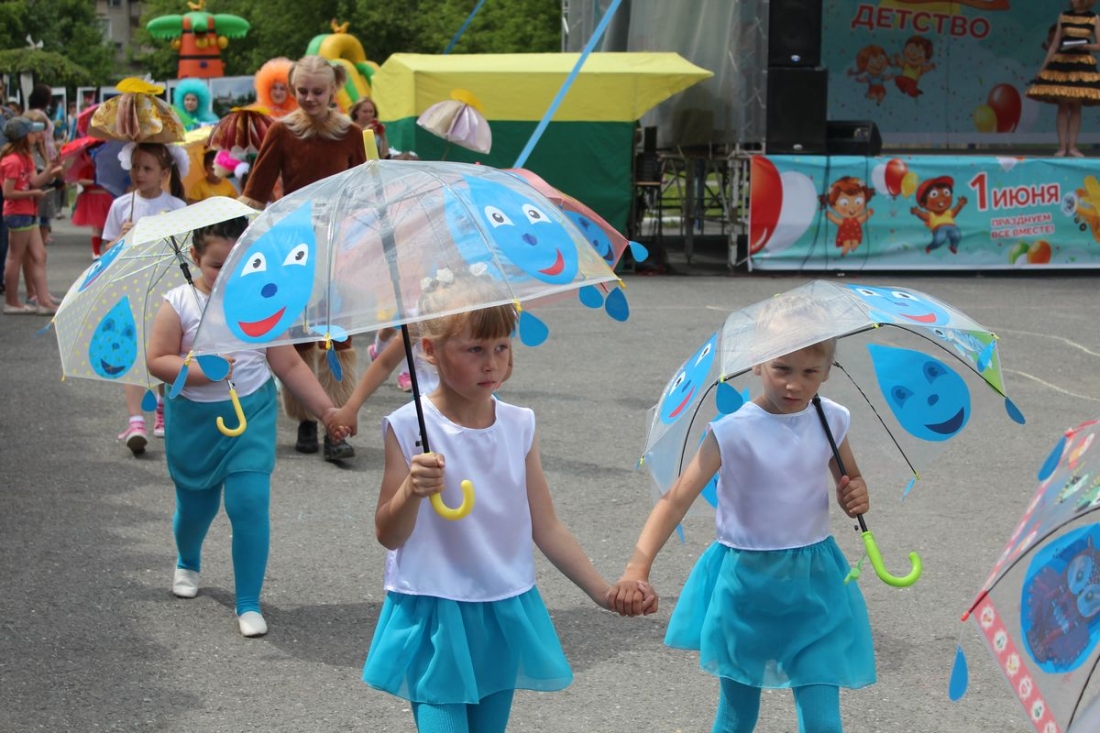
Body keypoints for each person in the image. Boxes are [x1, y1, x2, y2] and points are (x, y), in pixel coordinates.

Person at [361, 274, 649, 731]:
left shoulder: (519, 425)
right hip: (435, 608)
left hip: (501, 607)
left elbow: (546, 526)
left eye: (501, 346)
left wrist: (601, 592)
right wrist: (410, 491)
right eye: (475, 349)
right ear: (430, 351)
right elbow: (388, 534)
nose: (492, 363)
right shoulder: (409, 426)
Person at [609, 305, 875, 733]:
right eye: (782, 368)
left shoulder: (831, 420)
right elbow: (675, 500)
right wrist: (636, 568)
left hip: (814, 583)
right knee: (736, 715)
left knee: (823, 717)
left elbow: (851, 480)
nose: (794, 384)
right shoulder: (732, 431)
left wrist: (855, 494)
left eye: (810, 372)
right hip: (746, 586)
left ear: (827, 371)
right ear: (757, 361)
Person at [145, 215, 351, 638]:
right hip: (195, 421)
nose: (228, 275)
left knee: (249, 504)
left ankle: (249, 601)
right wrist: (200, 372)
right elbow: (157, 359)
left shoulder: (261, 301)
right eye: (217, 265)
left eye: (239, 264)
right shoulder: (179, 303)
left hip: (251, 416)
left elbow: (289, 364)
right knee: (196, 508)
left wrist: (327, 411)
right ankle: (188, 559)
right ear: (194, 256)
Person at [240, 54, 367, 463]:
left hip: (338, 245)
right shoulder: (282, 131)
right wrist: (237, 235)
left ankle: (337, 425)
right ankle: (306, 419)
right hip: (293, 246)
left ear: (333, 90)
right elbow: (256, 191)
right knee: (297, 334)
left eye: (318, 91)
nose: (310, 98)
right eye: (302, 91)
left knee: (337, 334)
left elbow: (365, 192)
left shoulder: (350, 134)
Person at [103, 142, 189, 454]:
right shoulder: (120, 206)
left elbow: (186, 248)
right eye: (135, 166)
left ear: (164, 173)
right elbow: (105, 252)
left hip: (166, 290)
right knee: (132, 354)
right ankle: (136, 420)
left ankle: (163, 408)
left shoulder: (177, 207)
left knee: (166, 351)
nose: (139, 173)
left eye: (147, 168)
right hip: (131, 289)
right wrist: (121, 238)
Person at [1, 117, 62, 315]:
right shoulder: (12, 161)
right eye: (32, 132)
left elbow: (35, 181)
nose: (36, 135)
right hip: (18, 213)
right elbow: (8, 193)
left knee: (39, 255)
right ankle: (12, 301)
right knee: (16, 257)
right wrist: (33, 193)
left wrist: (51, 169)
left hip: (28, 212)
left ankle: (43, 301)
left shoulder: (26, 157)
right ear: (23, 136)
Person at [1027, 0, 1100, 157]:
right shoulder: (1064, 16)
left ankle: (1072, 146)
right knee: (1063, 106)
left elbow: (1099, 45)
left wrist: (1084, 46)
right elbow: (1054, 45)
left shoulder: (1094, 18)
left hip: (1081, 66)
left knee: (1076, 106)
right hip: (1063, 63)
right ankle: (1061, 147)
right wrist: (1042, 69)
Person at [69, 145, 115, 260]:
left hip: (106, 197)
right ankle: (96, 251)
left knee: (106, 226)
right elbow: (80, 180)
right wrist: (93, 182)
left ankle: (104, 249)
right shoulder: (88, 167)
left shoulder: (106, 167)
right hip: (94, 197)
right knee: (97, 226)